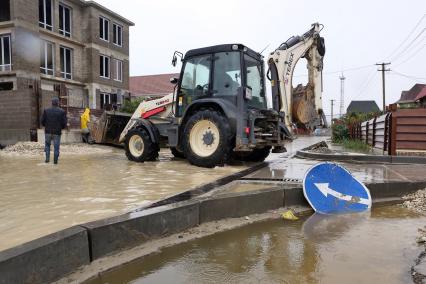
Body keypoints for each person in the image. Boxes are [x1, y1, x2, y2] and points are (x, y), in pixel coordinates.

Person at [41, 98, 67, 164]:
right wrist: (61, 128)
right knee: (56, 147)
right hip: (57, 132)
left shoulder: (46, 110)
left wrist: (46, 126)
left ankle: (47, 160)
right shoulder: (62, 111)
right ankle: (55, 162)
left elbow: (42, 121)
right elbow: (64, 123)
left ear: (52, 103)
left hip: (48, 132)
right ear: (58, 103)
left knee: (47, 145)